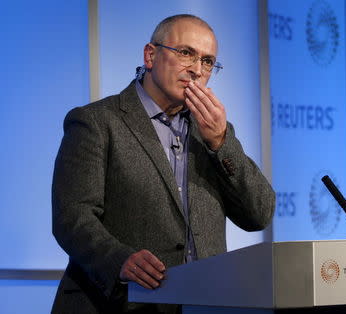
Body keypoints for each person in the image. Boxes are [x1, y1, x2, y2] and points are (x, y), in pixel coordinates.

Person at [51, 14, 275, 314]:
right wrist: (119, 259)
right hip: (116, 304)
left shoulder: (213, 131)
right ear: (151, 55)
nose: (196, 69)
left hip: (202, 305)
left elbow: (259, 214)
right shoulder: (97, 122)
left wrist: (220, 143)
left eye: (208, 61)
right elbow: (72, 218)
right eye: (186, 53)